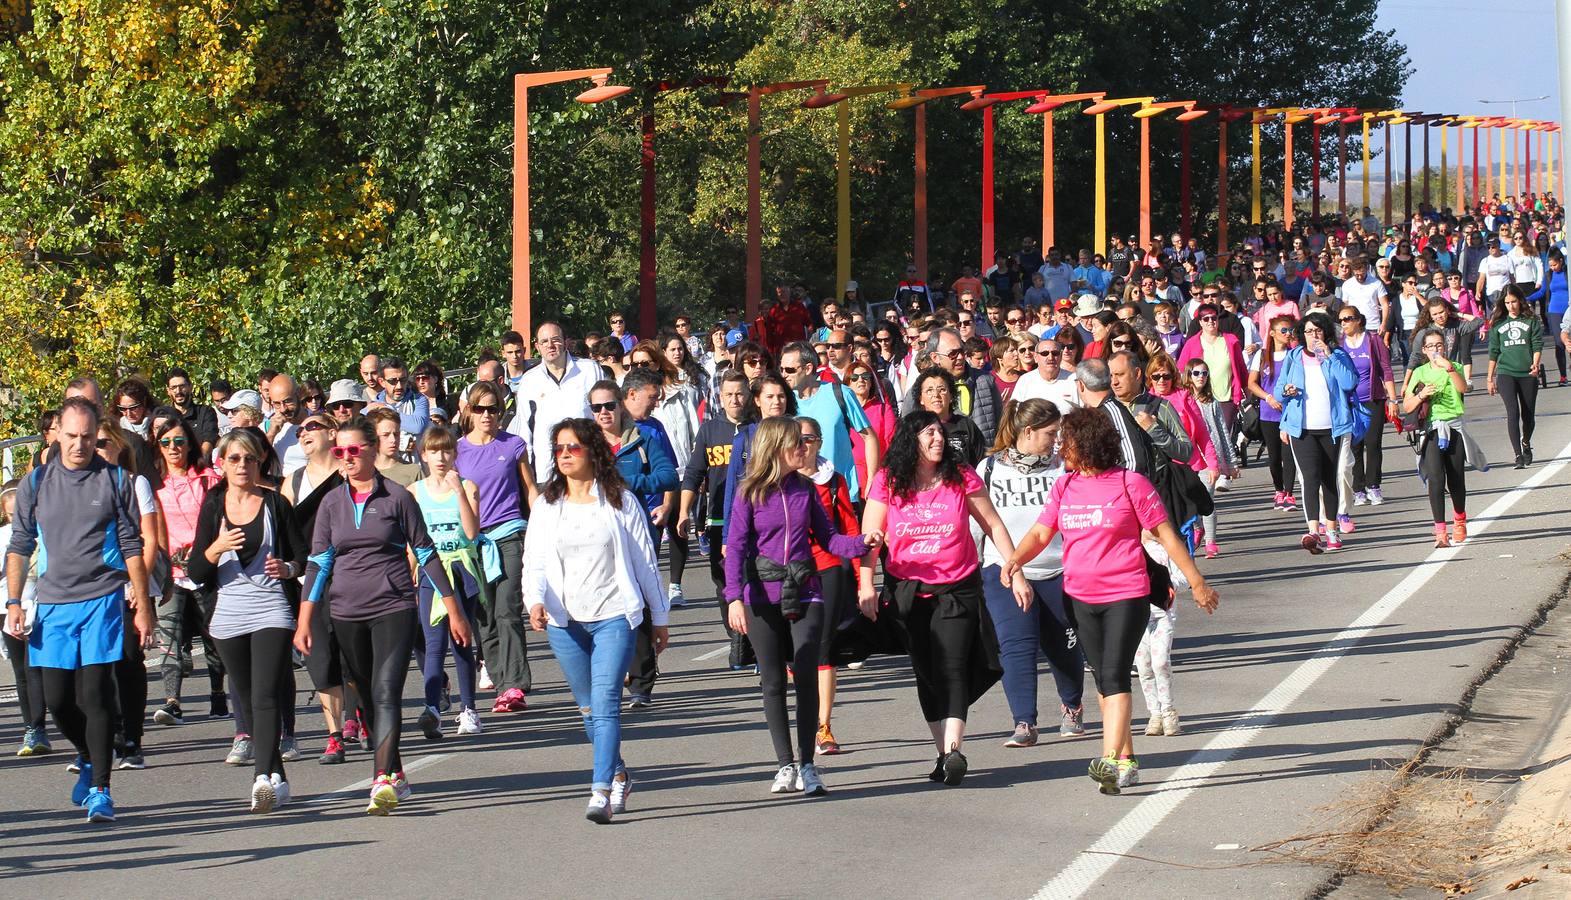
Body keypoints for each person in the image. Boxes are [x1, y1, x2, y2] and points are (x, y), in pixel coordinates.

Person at [1004, 407, 1218, 795]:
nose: (1058, 445)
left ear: (1083, 444)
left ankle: (1106, 759)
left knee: (1117, 676)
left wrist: (1197, 581)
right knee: (1104, 682)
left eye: (1064, 440)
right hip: (1080, 597)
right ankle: (1126, 761)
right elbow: (1039, 533)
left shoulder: (1130, 483)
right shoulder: (1065, 486)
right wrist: (1015, 560)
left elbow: (1166, 535)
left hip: (1127, 594)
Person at [296, 418, 471, 815]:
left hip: (393, 607)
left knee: (387, 690)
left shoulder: (397, 497)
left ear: (373, 450)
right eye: (339, 451)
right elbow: (319, 563)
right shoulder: (330, 503)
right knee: (368, 699)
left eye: (354, 450)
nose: (347, 459)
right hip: (345, 611)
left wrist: (454, 609)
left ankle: (380, 781)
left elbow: (426, 553)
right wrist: (304, 620)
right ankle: (395, 772)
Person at [6, 398, 154, 823]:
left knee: (94, 695)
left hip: (102, 599)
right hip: (52, 603)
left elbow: (131, 546)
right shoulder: (35, 483)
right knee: (56, 701)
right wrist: (14, 602)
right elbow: (20, 546)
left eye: (88, 437)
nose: (80, 445)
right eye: (71, 436)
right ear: (55, 434)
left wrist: (142, 606)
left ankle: (101, 789)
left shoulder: (116, 480)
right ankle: (89, 756)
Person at [857, 411, 1025, 786]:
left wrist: (1015, 572)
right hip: (907, 591)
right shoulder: (888, 480)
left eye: (940, 432)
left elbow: (993, 525)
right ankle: (943, 754)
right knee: (926, 671)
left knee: (951, 666)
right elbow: (871, 537)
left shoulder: (960, 475)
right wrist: (866, 583)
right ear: (909, 440)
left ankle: (953, 752)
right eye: (928, 433)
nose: (938, 438)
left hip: (957, 588)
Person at [523, 418, 668, 823]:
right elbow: (533, 562)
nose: (565, 455)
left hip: (614, 616)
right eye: (559, 449)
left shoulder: (620, 500)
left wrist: (658, 618)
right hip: (563, 621)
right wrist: (533, 600)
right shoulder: (547, 505)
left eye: (573, 448)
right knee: (588, 709)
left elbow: (645, 562)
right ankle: (620, 773)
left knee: (605, 705)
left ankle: (601, 790)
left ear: (593, 451)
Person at [726, 418, 875, 795]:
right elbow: (737, 548)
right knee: (773, 682)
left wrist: (863, 544)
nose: (804, 449)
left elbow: (829, 539)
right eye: (796, 443)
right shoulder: (750, 493)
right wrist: (734, 598)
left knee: (806, 672)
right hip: (762, 597)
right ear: (777, 447)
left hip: (806, 590)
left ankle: (808, 765)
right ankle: (785, 765)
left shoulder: (806, 490)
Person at [185, 429, 307, 813]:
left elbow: (303, 558)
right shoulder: (213, 504)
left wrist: (286, 568)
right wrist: (217, 547)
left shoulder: (275, 503)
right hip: (228, 614)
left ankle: (260, 778)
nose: (242, 466)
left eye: (250, 459)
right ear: (222, 463)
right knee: (248, 697)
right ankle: (277, 776)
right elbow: (197, 572)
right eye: (234, 459)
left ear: (260, 463)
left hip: (271, 606)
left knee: (266, 692)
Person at [973, 399, 1085, 747]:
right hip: (1003, 569)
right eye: (1050, 433)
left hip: (1058, 569)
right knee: (1016, 646)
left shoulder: (1064, 468)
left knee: (1063, 648)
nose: (1056, 439)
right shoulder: (989, 468)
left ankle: (1071, 704)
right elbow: (978, 525)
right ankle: (1024, 722)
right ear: (1028, 432)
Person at [590, 375, 679, 708]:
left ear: (620, 404)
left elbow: (669, 475)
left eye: (609, 405)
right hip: (595, 536)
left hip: (636, 531)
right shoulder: (584, 444)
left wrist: (632, 481)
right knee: (604, 602)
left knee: (638, 601)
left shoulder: (640, 439)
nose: (603, 413)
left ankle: (641, 682)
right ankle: (610, 674)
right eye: (596, 407)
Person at [456, 381, 536, 714]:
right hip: (473, 541)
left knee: (507, 608)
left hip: (510, 533)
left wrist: (540, 530)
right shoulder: (456, 450)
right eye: (480, 409)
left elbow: (530, 489)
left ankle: (515, 685)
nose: (487, 415)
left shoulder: (514, 445)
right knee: (484, 616)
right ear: (469, 411)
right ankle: (501, 681)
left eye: (493, 409)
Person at [280, 412, 355, 763]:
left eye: (311, 427)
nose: (304, 433)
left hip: (351, 576)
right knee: (320, 656)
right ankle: (335, 734)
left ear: (331, 433)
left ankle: (357, 715)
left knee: (352, 654)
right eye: (299, 430)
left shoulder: (348, 474)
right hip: (309, 579)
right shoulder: (291, 482)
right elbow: (284, 534)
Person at [677, 370, 755, 671]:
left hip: (754, 517)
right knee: (723, 581)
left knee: (752, 576)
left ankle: (750, 639)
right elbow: (694, 474)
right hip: (719, 518)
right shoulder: (710, 430)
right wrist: (684, 511)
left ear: (748, 396)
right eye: (728, 395)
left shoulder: (757, 428)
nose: (734, 400)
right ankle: (736, 634)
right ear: (719, 398)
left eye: (739, 393)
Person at [410, 425, 485, 739]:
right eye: (433, 451)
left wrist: (458, 492)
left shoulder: (467, 486)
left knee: (462, 642)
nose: (440, 457)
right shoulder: (414, 492)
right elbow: (411, 542)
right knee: (434, 643)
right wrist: (409, 577)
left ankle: (469, 709)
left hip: (461, 570)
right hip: (429, 572)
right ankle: (433, 710)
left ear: (455, 454)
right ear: (423, 455)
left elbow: (471, 533)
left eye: (446, 450)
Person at [150, 416, 224, 729]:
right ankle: (172, 701)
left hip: (206, 567)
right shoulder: (154, 485)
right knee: (169, 633)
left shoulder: (208, 479)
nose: (173, 448)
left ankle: (218, 694)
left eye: (179, 441)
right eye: (166, 442)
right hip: (172, 572)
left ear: (190, 444)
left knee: (213, 635)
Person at [1274, 312, 1368, 554]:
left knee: (1329, 478)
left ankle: (1332, 529)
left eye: (1317, 331)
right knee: (1310, 478)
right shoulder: (1294, 357)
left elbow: (1349, 383)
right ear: (1301, 335)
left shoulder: (1337, 355)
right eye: (1308, 331)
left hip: (1332, 427)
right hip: (1302, 428)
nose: (1313, 336)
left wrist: (1328, 356)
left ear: (1325, 332)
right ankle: (1313, 530)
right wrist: (1286, 389)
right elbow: (1277, 392)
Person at [629, 341, 699, 608]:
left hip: (661, 497)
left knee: (672, 533)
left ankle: (672, 587)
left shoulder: (660, 419)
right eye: (652, 398)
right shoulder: (614, 422)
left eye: (645, 363)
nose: (656, 403)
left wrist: (669, 503)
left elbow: (670, 467)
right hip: (627, 509)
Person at [779, 341, 880, 504]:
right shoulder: (783, 402)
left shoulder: (840, 393)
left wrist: (872, 480)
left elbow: (870, 437)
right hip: (800, 496)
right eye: (781, 369)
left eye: (790, 370)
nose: (784, 375)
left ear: (808, 368)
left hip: (841, 494)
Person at [1405, 330, 1480, 547]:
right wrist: (1422, 395)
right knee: (1436, 479)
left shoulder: (1453, 367)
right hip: (1431, 430)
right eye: (1431, 346)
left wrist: (1448, 368)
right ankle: (1440, 531)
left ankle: (1459, 519)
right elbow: (1408, 406)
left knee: (1456, 478)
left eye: (1439, 345)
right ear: (1424, 350)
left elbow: (1463, 388)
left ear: (1444, 347)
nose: (1436, 350)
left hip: (1454, 427)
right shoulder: (1419, 372)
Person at [508, 321, 603, 481]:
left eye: (556, 339)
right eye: (544, 341)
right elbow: (525, 431)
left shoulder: (590, 370)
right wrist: (529, 479)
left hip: (588, 468)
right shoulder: (530, 380)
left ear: (566, 342)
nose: (550, 345)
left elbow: (605, 418)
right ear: (537, 347)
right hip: (547, 472)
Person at [2, 480, 52, 757]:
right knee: (23, 671)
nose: (16, 518)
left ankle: (45, 722)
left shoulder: (45, 532)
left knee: (38, 668)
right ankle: (33, 728)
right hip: (10, 608)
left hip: (43, 604)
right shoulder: (5, 536)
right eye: (10, 514)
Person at [1337, 308, 1397, 509]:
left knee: (1372, 443)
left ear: (1359, 321)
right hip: (1350, 403)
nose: (1344, 323)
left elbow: (1385, 369)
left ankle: (1373, 485)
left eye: (1348, 319)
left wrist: (1393, 399)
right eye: (1341, 320)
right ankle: (1358, 489)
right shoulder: (1339, 344)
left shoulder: (1372, 340)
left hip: (1373, 399)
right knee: (1354, 446)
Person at [1486, 285, 1545, 468]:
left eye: (1513, 301)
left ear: (1520, 300)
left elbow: (1536, 344)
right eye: (1507, 302)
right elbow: (1493, 351)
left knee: (1528, 415)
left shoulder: (1531, 320)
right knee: (1513, 412)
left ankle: (1526, 442)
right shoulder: (1498, 323)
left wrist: (1535, 364)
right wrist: (1490, 378)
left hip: (1527, 372)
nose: (1511, 305)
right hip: (1506, 372)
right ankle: (1518, 455)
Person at [1176, 303, 1249, 430]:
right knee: (1206, 438)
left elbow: (1242, 370)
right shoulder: (1191, 343)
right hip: (1200, 398)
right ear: (1200, 322)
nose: (1210, 321)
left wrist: (1249, 399)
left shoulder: (1231, 341)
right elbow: (1181, 370)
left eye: (1214, 318)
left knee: (1224, 435)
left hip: (1226, 398)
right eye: (1206, 318)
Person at [911, 368, 988, 466]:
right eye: (929, 391)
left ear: (951, 396)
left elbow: (981, 463)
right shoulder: (913, 427)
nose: (936, 395)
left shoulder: (966, 425)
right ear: (920, 398)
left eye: (942, 390)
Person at [165, 368, 220, 455]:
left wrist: (199, 462)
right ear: (168, 391)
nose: (178, 391)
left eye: (182, 386)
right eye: (174, 388)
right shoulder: (164, 416)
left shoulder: (205, 412)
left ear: (190, 387)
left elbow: (210, 439)